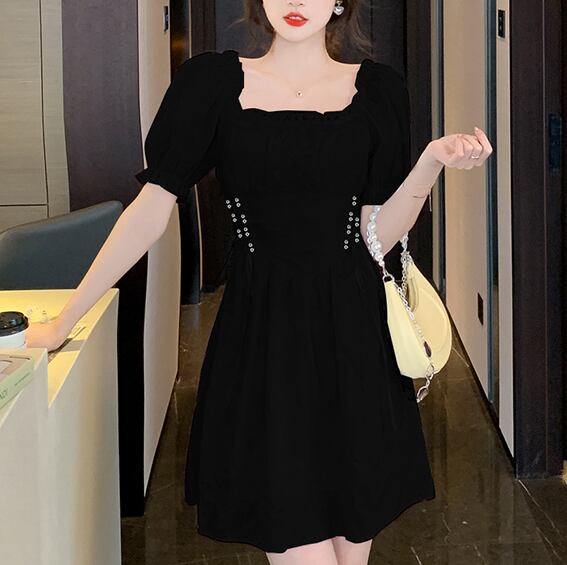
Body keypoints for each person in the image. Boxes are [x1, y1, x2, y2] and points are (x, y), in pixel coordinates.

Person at [26, 1, 492, 563]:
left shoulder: (379, 91)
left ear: (339, 2)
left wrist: (431, 163)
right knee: (295, 534)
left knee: (352, 547)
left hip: (355, 344)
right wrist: (65, 320)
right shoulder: (212, 84)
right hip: (264, 344)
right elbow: (149, 211)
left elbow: (375, 237)